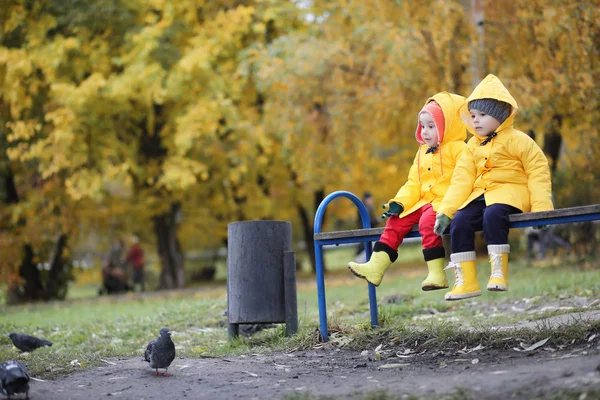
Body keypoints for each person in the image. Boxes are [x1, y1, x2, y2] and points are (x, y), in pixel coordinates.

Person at [434, 74, 553, 301]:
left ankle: (498, 273)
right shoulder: (472, 146)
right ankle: (466, 281)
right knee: (460, 221)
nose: (476, 120)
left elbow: (538, 172)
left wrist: (541, 209)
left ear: (500, 116)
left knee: (493, 214)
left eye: (482, 115)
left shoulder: (519, 140)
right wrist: (446, 211)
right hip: (482, 196)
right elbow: (461, 179)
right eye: (473, 116)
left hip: (511, 194)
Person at [347, 91, 467, 289]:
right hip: (423, 201)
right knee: (397, 220)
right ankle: (376, 267)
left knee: (428, 221)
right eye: (423, 126)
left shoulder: (459, 149)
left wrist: (450, 205)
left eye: (432, 126)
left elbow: (463, 180)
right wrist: (399, 203)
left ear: (448, 126)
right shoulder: (422, 152)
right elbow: (413, 183)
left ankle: (437, 274)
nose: (425, 131)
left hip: (444, 201)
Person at [354, 191, 380, 259]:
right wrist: (376, 220)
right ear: (366, 199)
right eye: (370, 199)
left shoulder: (365, 207)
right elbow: (368, 221)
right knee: (365, 249)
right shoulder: (365, 208)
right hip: (365, 231)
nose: (371, 201)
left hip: (366, 231)